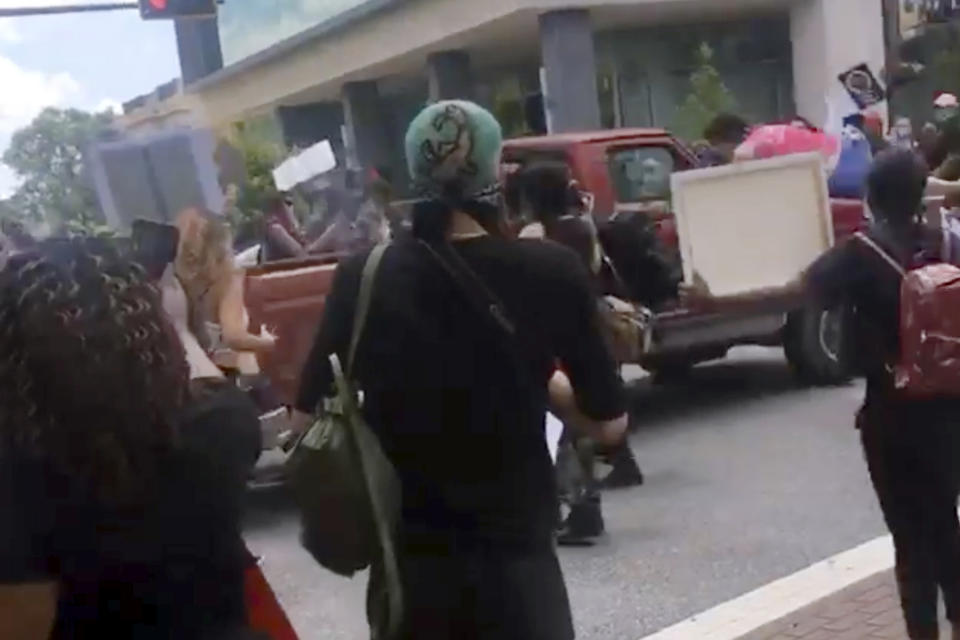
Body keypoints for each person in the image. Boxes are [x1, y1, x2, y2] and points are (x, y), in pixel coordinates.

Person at [294, 100, 628, 639]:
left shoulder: (364, 276)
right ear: (495, 172)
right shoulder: (550, 271)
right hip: (519, 577)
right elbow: (608, 423)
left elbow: (304, 411)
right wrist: (549, 383)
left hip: (413, 580)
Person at [683, 149, 960, 640]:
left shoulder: (857, 255)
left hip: (891, 416)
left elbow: (792, 295)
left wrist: (713, 301)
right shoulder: (947, 244)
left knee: (910, 540)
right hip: (950, 412)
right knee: (946, 528)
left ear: (870, 197)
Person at [0, 237, 261, 639]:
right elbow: (204, 379)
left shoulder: (23, 469)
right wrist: (175, 322)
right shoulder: (220, 425)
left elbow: (22, 625)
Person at [175, 207, 276, 369]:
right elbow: (234, 336)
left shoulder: (180, 287)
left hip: (200, 370)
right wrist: (271, 343)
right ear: (221, 250)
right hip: (237, 372)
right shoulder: (229, 280)